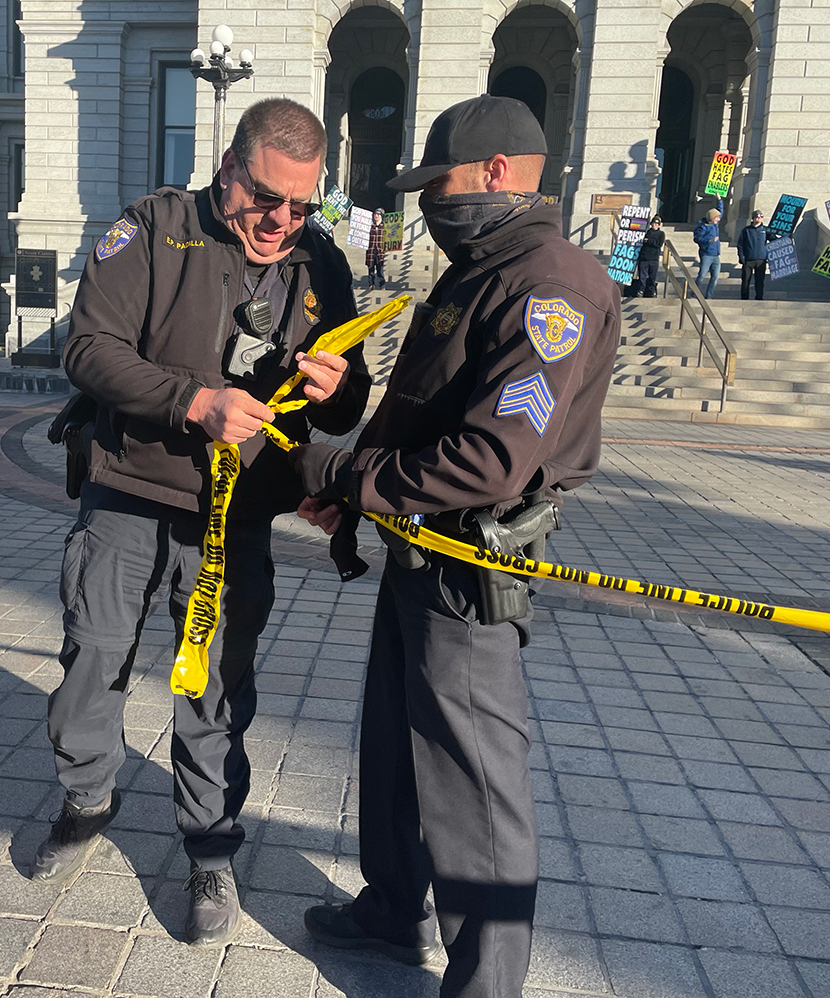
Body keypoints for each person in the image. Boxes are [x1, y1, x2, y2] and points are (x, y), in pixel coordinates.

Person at [287, 95, 620, 998]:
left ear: (499, 173)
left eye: (440, 183)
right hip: (414, 546)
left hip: (468, 564)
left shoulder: (547, 284)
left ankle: (484, 986)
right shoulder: (478, 270)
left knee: (474, 788)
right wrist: (354, 496)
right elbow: (418, 412)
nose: (429, 201)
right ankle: (394, 912)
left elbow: (492, 457)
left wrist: (338, 474)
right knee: (395, 747)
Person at [32, 98, 370, 948]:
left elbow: (348, 397)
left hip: (235, 516)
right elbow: (86, 346)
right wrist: (194, 402)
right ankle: (86, 799)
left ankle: (210, 847)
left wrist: (341, 391)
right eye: (267, 199)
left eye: (302, 206)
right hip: (129, 490)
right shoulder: (154, 227)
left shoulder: (321, 262)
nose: (282, 221)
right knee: (93, 657)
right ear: (229, 172)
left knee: (215, 685)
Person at [736, 209, 770, 301]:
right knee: (746, 280)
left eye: (761, 217)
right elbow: (740, 244)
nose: (759, 218)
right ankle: (744, 297)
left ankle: (759, 297)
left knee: (759, 280)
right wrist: (741, 256)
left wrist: (786, 237)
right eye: (758, 216)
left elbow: (774, 240)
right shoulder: (746, 230)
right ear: (753, 218)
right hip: (749, 259)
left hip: (761, 259)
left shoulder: (766, 230)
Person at [628, 214, 664, 298]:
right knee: (642, 277)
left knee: (652, 277)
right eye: (654, 223)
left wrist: (648, 241)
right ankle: (641, 290)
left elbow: (659, 244)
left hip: (654, 258)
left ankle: (652, 290)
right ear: (651, 224)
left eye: (657, 224)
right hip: (644, 258)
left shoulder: (661, 234)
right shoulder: (646, 232)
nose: (655, 225)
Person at [692, 207, 721, 298]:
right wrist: (709, 241)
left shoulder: (715, 225)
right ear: (712, 218)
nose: (718, 219)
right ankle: (694, 294)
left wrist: (719, 200)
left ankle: (708, 296)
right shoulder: (702, 227)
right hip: (706, 255)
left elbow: (720, 210)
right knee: (701, 276)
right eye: (717, 217)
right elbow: (697, 238)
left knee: (715, 277)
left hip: (716, 255)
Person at [366, 208, 386, 289]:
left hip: (380, 252)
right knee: (371, 270)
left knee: (380, 270)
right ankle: (371, 285)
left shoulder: (384, 227)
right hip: (370, 251)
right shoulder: (370, 226)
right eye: (375, 214)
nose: (376, 216)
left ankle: (382, 286)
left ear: (381, 216)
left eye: (378, 214)